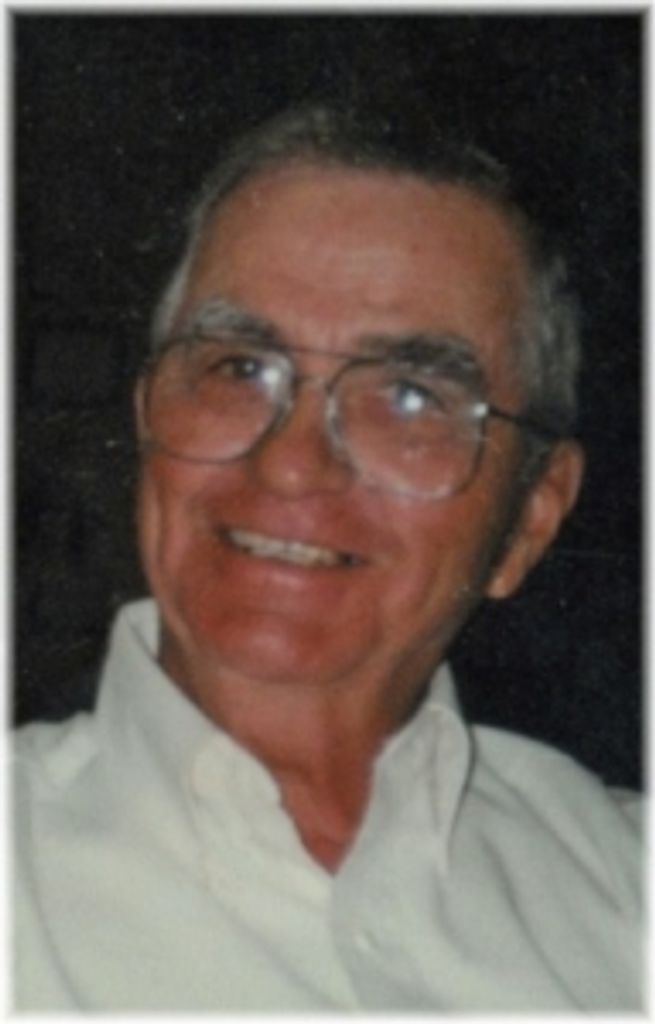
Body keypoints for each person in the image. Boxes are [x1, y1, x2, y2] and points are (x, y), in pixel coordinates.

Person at [13, 105, 642, 1012]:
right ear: (148, 420)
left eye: (409, 396)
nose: (291, 463)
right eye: (238, 367)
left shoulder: (620, 886)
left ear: (528, 520)